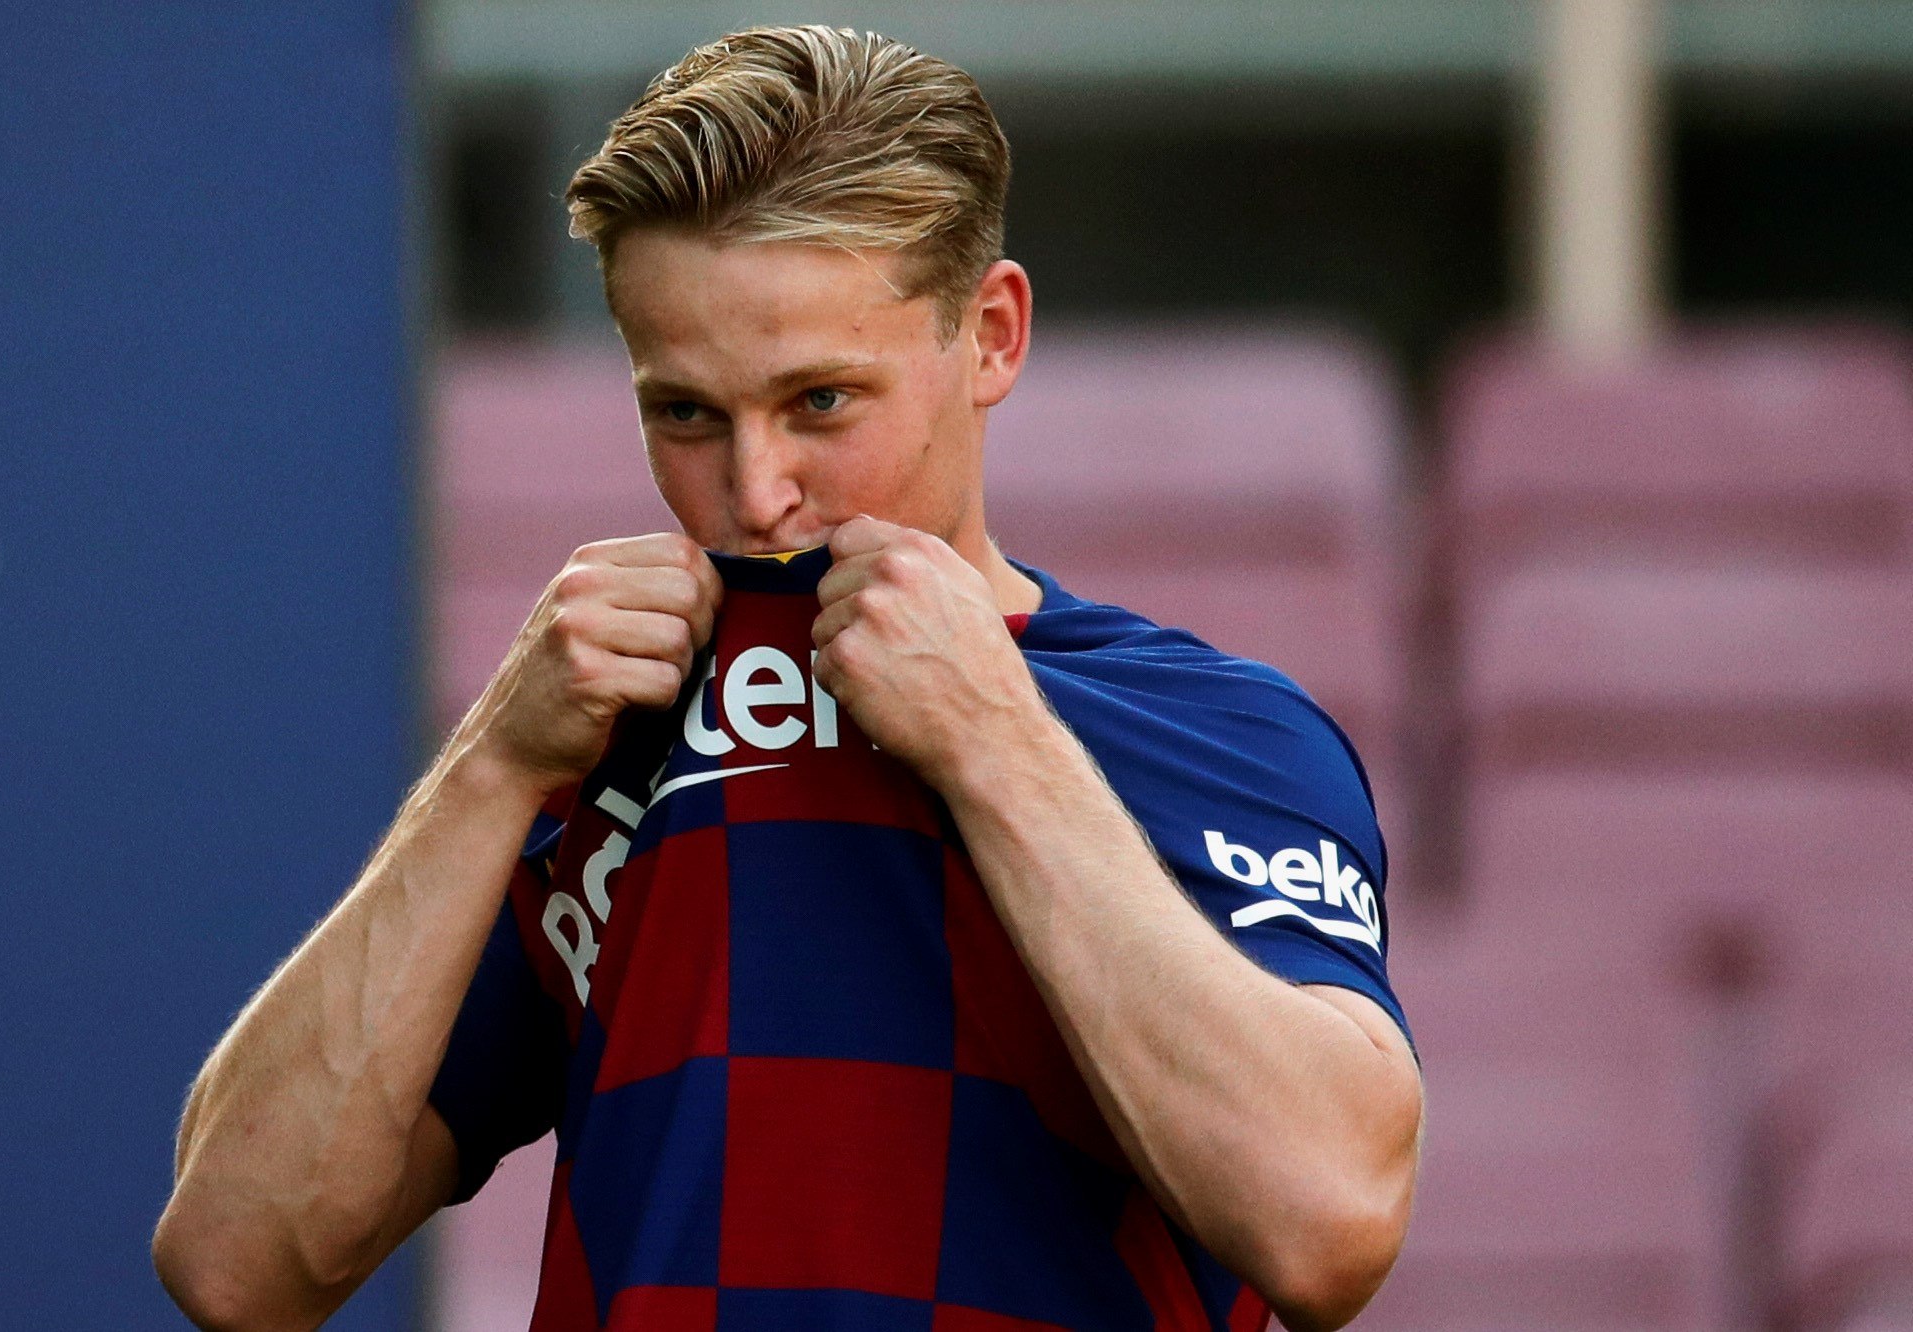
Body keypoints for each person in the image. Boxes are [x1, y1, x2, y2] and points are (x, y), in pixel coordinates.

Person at [154, 25, 1423, 1332]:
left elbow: (1328, 1227)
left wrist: (994, 744)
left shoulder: (1211, 732)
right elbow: (239, 1262)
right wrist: (492, 766)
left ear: (989, 336)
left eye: (819, 402)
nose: (755, 494)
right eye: (687, 413)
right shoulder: (594, 751)